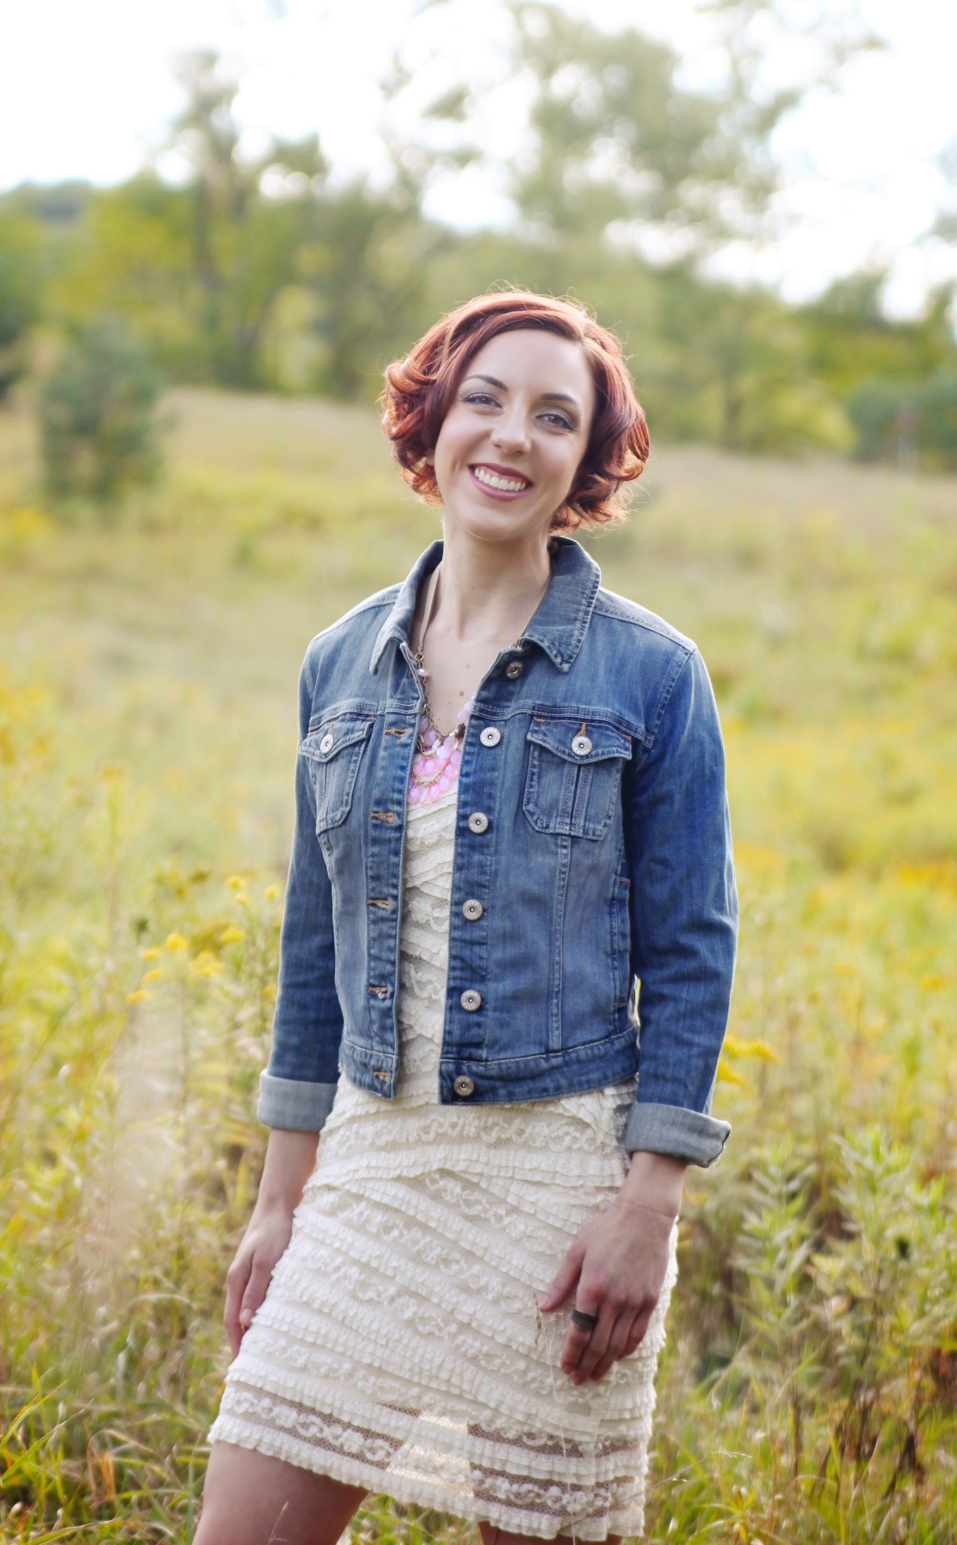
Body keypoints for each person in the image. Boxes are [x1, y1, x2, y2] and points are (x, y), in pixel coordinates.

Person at [196, 291, 737, 1545]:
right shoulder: (338, 664)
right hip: (372, 1170)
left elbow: (694, 954)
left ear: (585, 462)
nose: (512, 436)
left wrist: (649, 1205)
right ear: (433, 417)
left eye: (557, 416)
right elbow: (312, 953)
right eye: (486, 398)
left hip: (560, 1188)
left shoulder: (653, 675)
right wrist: (282, 1202)